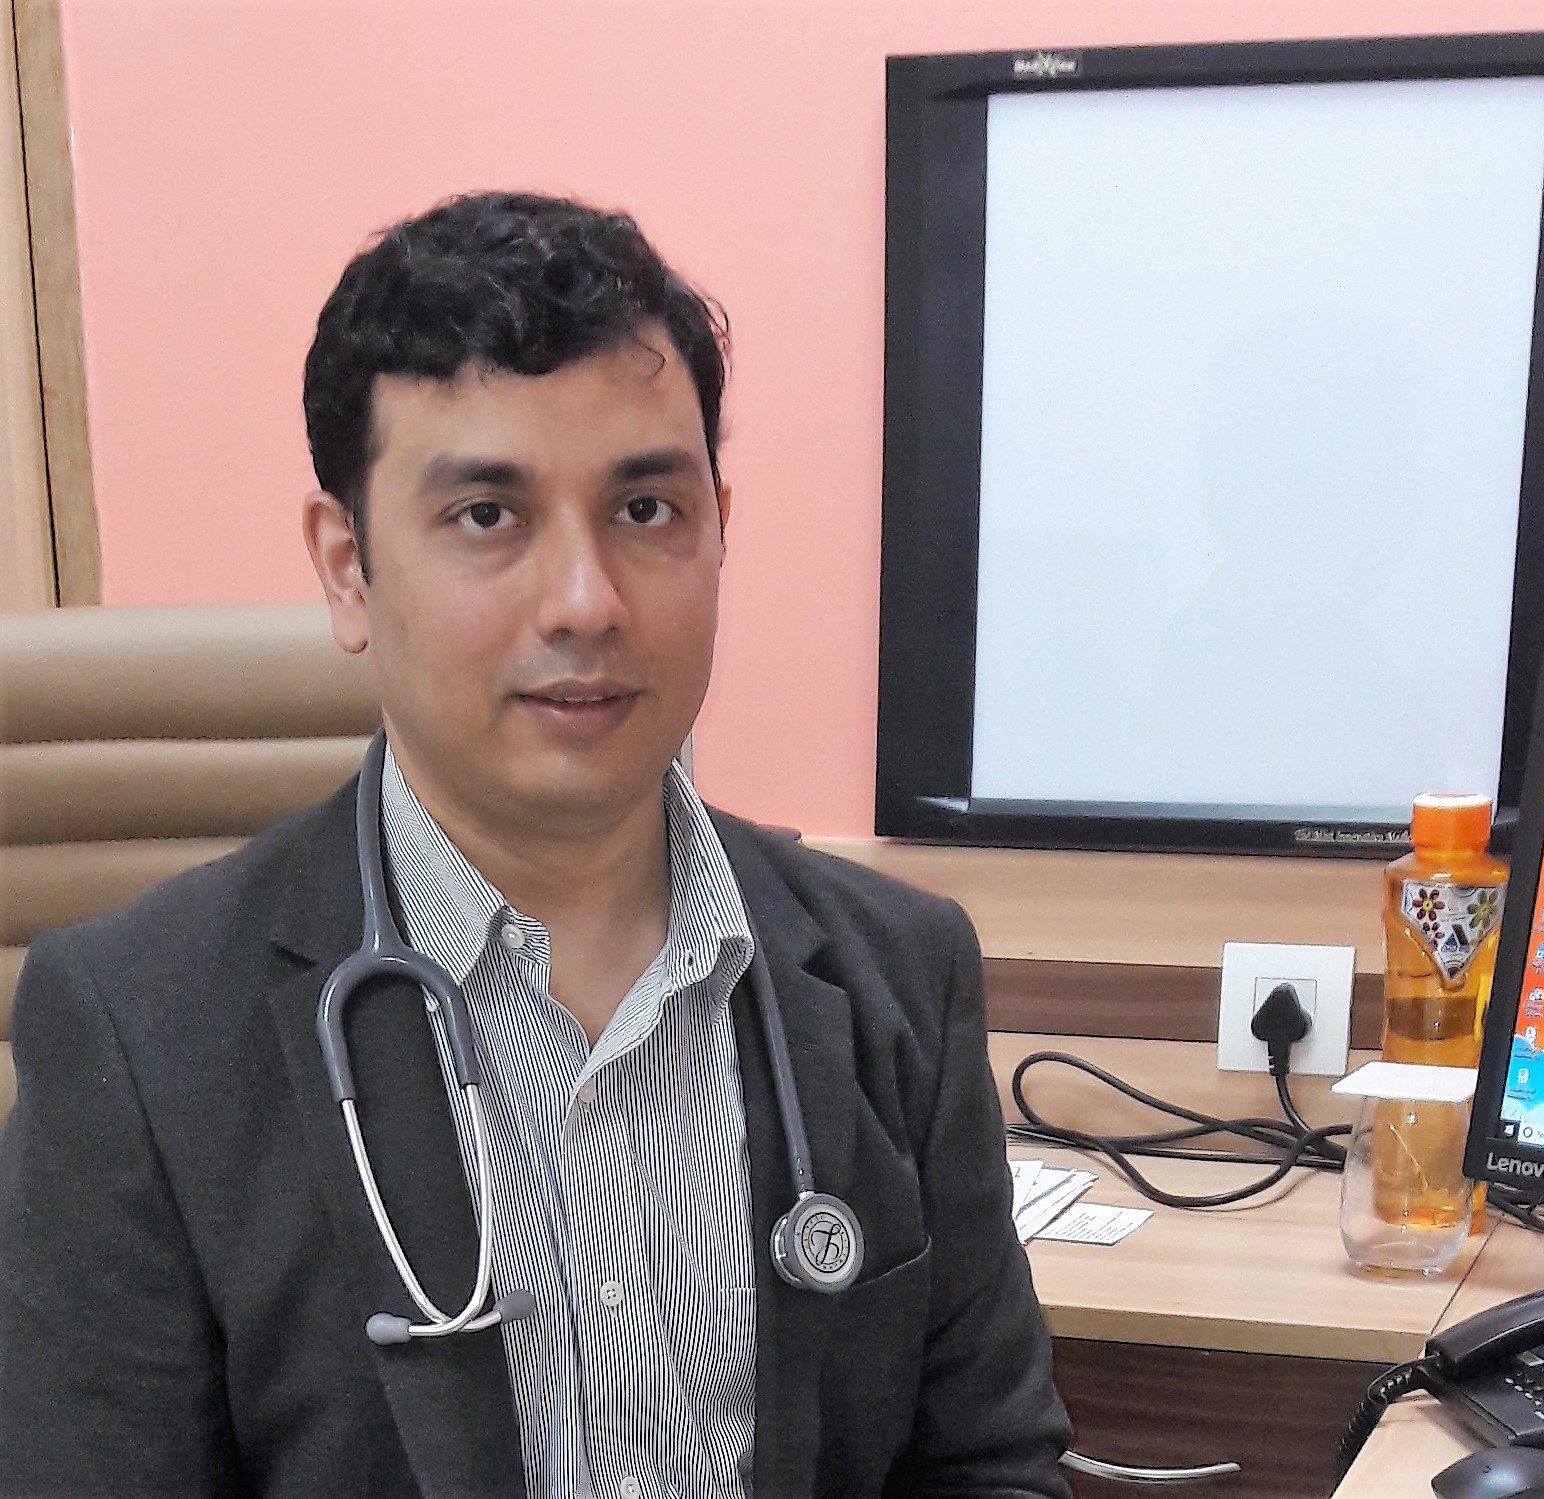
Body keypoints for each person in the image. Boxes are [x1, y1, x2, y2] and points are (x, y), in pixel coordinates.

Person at [0, 192, 1070, 1497]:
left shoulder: (898, 972)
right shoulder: (139, 1036)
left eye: (647, 510)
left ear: (719, 529)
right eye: (487, 516)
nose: (585, 601)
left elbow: (990, 1465)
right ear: (347, 567)